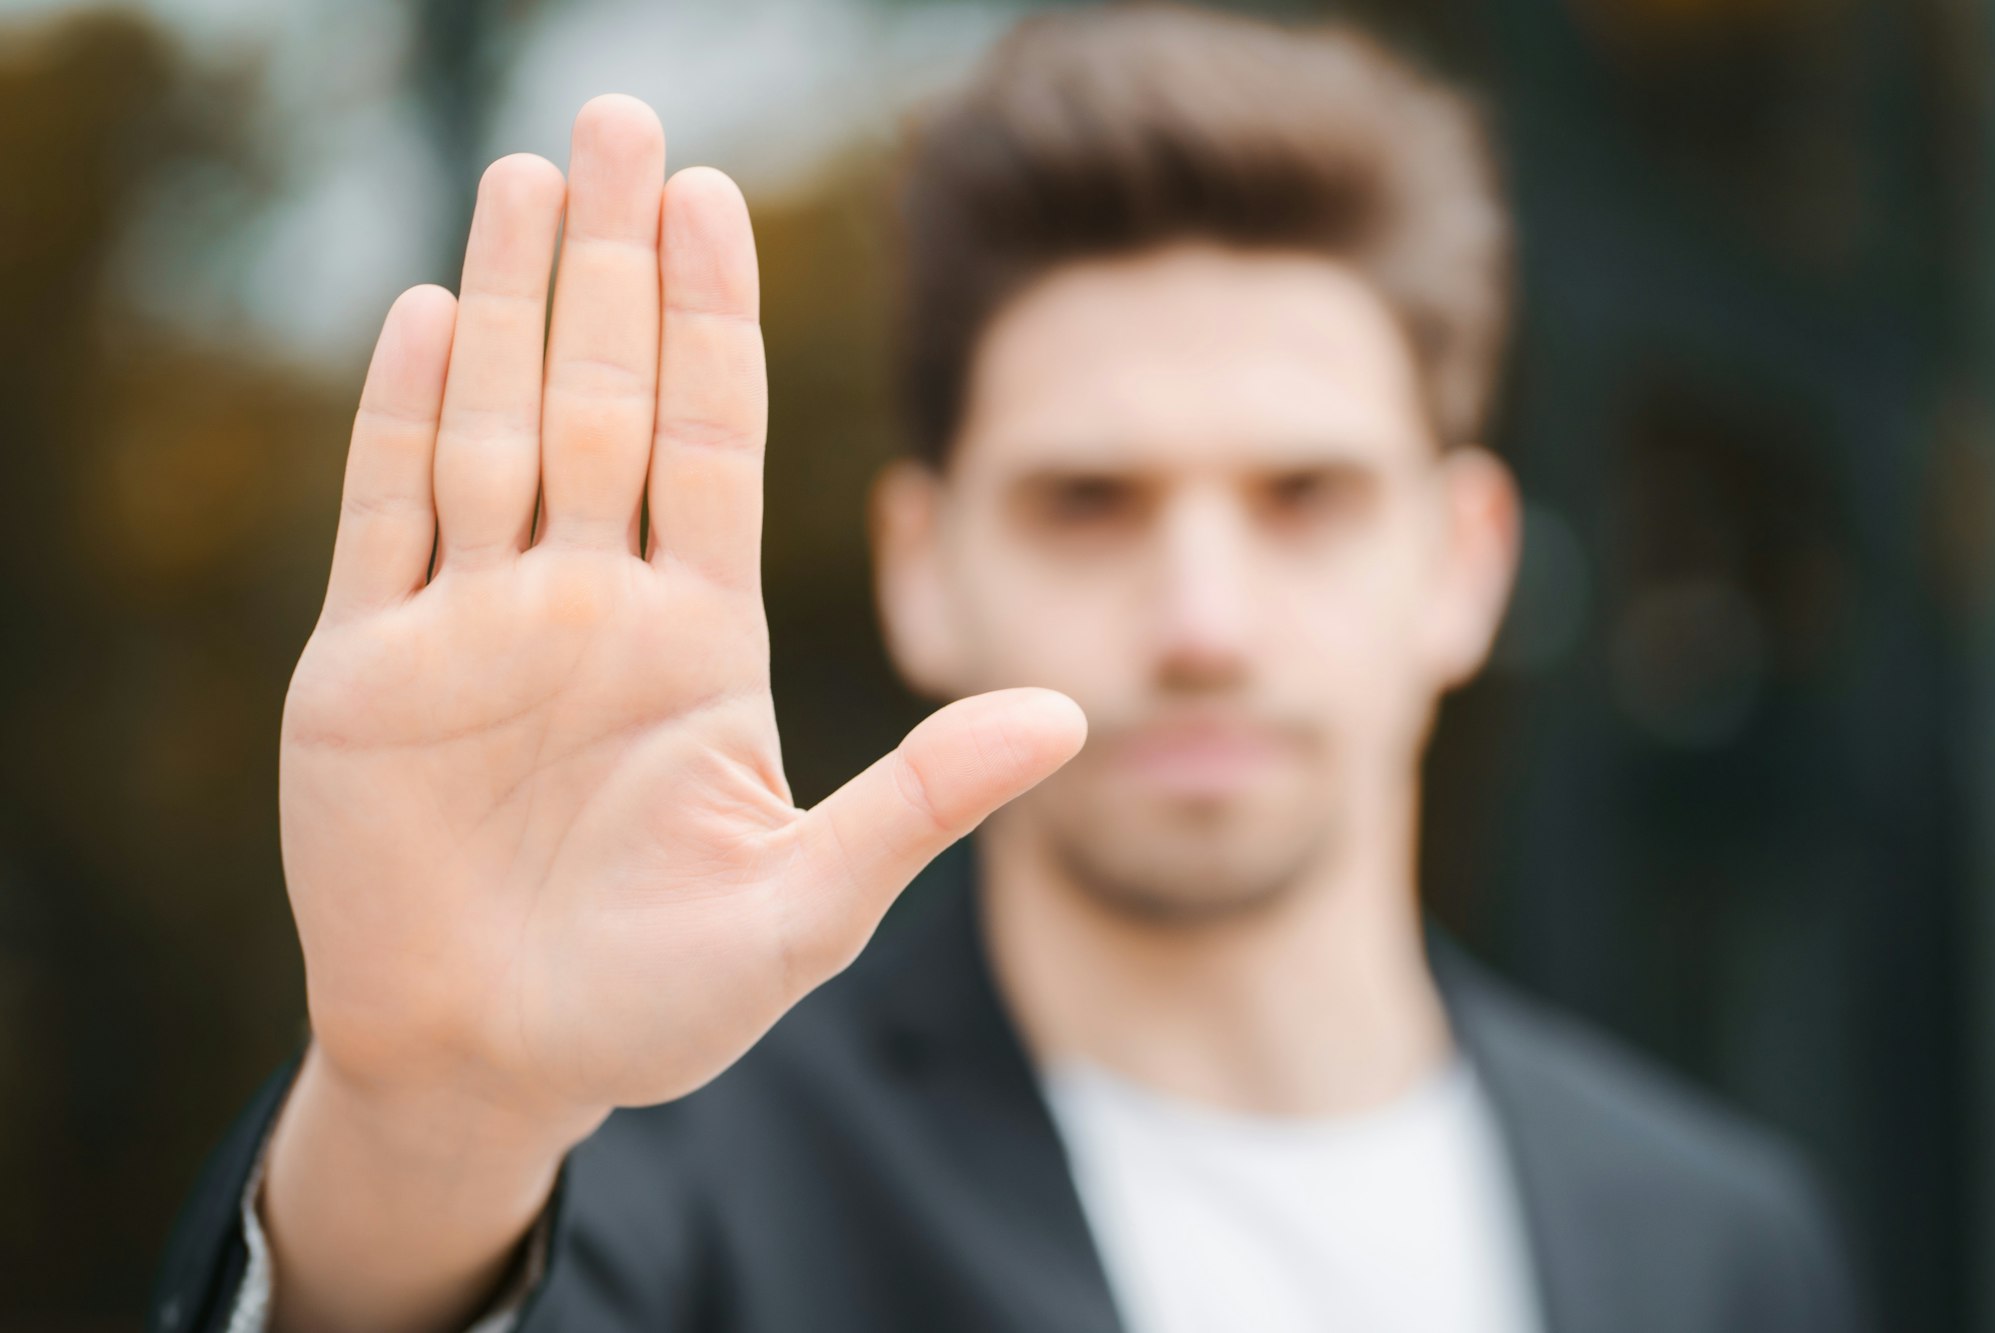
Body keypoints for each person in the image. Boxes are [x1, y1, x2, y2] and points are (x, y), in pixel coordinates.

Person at [149, 6, 1864, 1332]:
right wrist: (431, 1119)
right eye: (1088, 500)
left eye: (1305, 496)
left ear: (1468, 562)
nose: (1204, 616)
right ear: (924, 565)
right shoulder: (656, 1185)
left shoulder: (1719, 1238)